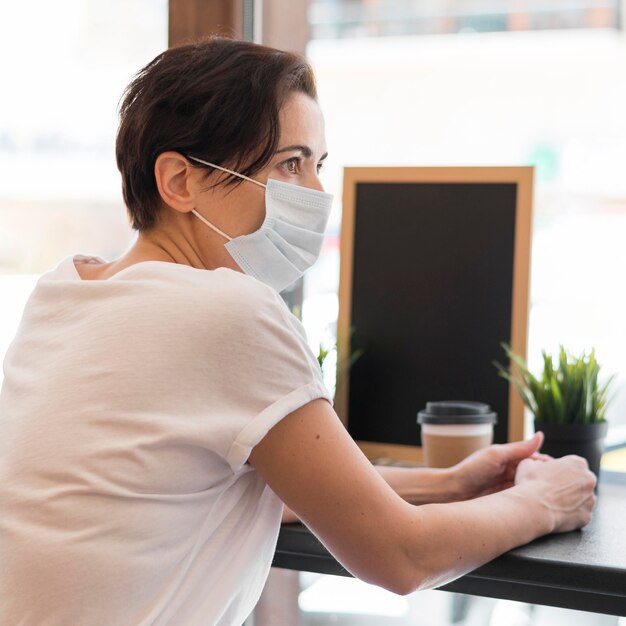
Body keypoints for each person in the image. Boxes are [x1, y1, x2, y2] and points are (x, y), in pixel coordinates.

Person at [0, 36, 596, 626]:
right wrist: (543, 501)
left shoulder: (64, 292)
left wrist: (447, 481)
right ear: (180, 181)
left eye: (318, 165)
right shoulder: (227, 310)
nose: (315, 193)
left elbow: (178, 486)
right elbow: (401, 556)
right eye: (289, 163)